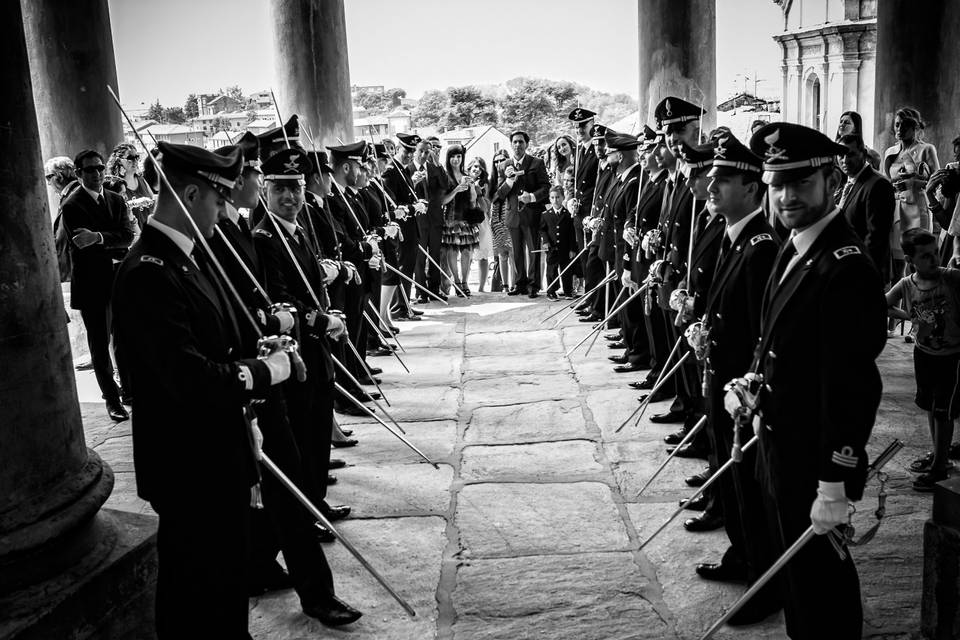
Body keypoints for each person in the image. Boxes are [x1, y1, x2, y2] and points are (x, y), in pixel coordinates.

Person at [111, 142, 292, 637]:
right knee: (198, 595)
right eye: (217, 200)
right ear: (190, 193)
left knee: (225, 589)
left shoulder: (189, 257)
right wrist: (264, 372)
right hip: (189, 465)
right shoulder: (148, 271)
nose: (221, 211)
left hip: (216, 452)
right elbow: (187, 376)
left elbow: (216, 341)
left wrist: (255, 346)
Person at [731, 122, 886, 639]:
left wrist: (834, 480)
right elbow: (778, 340)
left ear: (830, 181)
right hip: (781, 446)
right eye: (777, 184)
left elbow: (853, 385)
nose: (787, 196)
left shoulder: (845, 265)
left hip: (816, 461)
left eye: (801, 183)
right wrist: (754, 383)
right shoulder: (794, 245)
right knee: (800, 585)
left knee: (825, 590)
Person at [694, 133, 781, 625]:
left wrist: (748, 389)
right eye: (713, 177)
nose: (712, 186)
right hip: (720, 381)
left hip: (741, 393)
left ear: (751, 189)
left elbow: (759, 331)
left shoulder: (761, 246)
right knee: (732, 487)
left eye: (723, 179)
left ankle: (764, 582)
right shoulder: (734, 237)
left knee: (751, 491)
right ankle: (740, 555)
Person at [61, 148, 137, 421]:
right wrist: (108, 240)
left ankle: (129, 391)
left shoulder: (116, 200)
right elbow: (82, 245)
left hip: (118, 281)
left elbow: (127, 237)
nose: (96, 174)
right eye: (90, 169)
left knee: (125, 339)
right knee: (99, 345)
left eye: (100, 168)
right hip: (92, 285)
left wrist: (100, 237)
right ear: (79, 174)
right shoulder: (72, 205)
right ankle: (111, 399)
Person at [886, 228, 960, 490]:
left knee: (943, 411)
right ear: (909, 260)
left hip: (952, 358)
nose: (935, 259)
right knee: (930, 406)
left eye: (936, 253)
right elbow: (884, 303)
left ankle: (940, 467)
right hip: (924, 355)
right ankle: (938, 455)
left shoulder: (951, 279)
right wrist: (911, 317)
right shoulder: (907, 284)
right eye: (926, 256)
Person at [883, 107, 940, 279]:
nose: (900, 129)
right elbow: (886, 182)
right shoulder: (890, 152)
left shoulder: (926, 149)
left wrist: (914, 182)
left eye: (905, 125)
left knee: (918, 261)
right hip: (896, 210)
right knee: (897, 263)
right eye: (897, 125)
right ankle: (897, 302)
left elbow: (937, 182)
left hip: (917, 208)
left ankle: (919, 302)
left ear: (915, 127)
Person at [836, 133, 896, 284]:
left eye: (851, 155)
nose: (844, 160)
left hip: (867, 273)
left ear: (863, 154)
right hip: (848, 268)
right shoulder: (847, 182)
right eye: (840, 155)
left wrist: (860, 273)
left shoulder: (878, 184)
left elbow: (876, 238)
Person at [498, 130, 551, 297]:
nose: (517, 145)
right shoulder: (504, 165)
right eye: (514, 142)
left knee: (533, 250)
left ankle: (533, 285)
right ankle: (519, 283)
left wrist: (532, 197)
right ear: (511, 144)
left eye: (521, 142)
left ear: (526, 144)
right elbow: (499, 194)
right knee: (517, 251)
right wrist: (508, 181)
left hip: (532, 214)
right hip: (513, 215)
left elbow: (546, 188)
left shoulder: (537, 162)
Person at [440, 144, 480, 296]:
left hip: (466, 220)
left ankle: (465, 282)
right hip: (450, 219)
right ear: (448, 158)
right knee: (452, 252)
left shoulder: (466, 174)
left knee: (467, 253)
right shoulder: (445, 176)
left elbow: (472, 202)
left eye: (459, 156)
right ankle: (456, 282)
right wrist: (456, 189)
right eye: (453, 156)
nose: (456, 159)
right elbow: (442, 201)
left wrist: (472, 188)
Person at [411, 139, 448, 300]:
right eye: (421, 151)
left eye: (427, 152)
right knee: (420, 257)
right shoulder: (408, 169)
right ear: (415, 151)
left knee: (435, 255)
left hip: (434, 218)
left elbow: (445, 185)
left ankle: (434, 289)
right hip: (418, 220)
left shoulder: (434, 168)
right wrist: (413, 181)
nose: (424, 155)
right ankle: (420, 291)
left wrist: (438, 164)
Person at [104, 142, 155, 229]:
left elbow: (153, 201)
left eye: (137, 157)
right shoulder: (114, 185)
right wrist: (136, 202)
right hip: (131, 233)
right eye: (130, 158)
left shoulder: (141, 179)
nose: (135, 161)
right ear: (119, 161)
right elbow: (115, 210)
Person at [540, 185, 576, 299]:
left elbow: (572, 233)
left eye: (558, 197)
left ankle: (568, 291)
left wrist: (572, 249)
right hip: (552, 248)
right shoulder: (545, 215)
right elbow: (542, 229)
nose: (555, 200)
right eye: (552, 197)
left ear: (563, 197)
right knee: (551, 271)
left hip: (565, 248)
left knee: (566, 270)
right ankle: (551, 291)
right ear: (549, 199)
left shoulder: (568, 215)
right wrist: (545, 241)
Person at [488, 150, 515, 293]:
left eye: (502, 160)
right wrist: (506, 185)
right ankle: (505, 286)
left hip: (510, 216)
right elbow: (492, 198)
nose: (499, 163)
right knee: (502, 254)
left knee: (513, 254)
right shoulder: (492, 179)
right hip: (496, 219)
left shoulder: (513, 175)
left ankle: (514, 285)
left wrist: (509, 180)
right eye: (496, 161)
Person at [469, 157, 493, 292]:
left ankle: (481, 287)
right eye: (475, 166)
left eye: (480, 167)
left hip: (481, 221)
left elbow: (485, 207)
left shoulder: (485, 184)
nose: (476, 169)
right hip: (466, 219)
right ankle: (464, 284)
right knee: (466, 253)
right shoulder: (463, 179)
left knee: (482, 255)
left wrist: (479, 193)